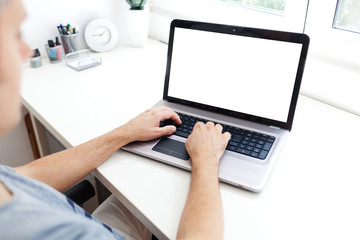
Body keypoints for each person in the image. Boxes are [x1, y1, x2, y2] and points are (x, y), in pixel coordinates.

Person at [0, 0, 231, 239]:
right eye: (15, 34)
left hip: (80, 221)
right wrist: (206, 160)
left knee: (148, 188)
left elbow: (26, 177)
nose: (26, 52)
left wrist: (125, 132)